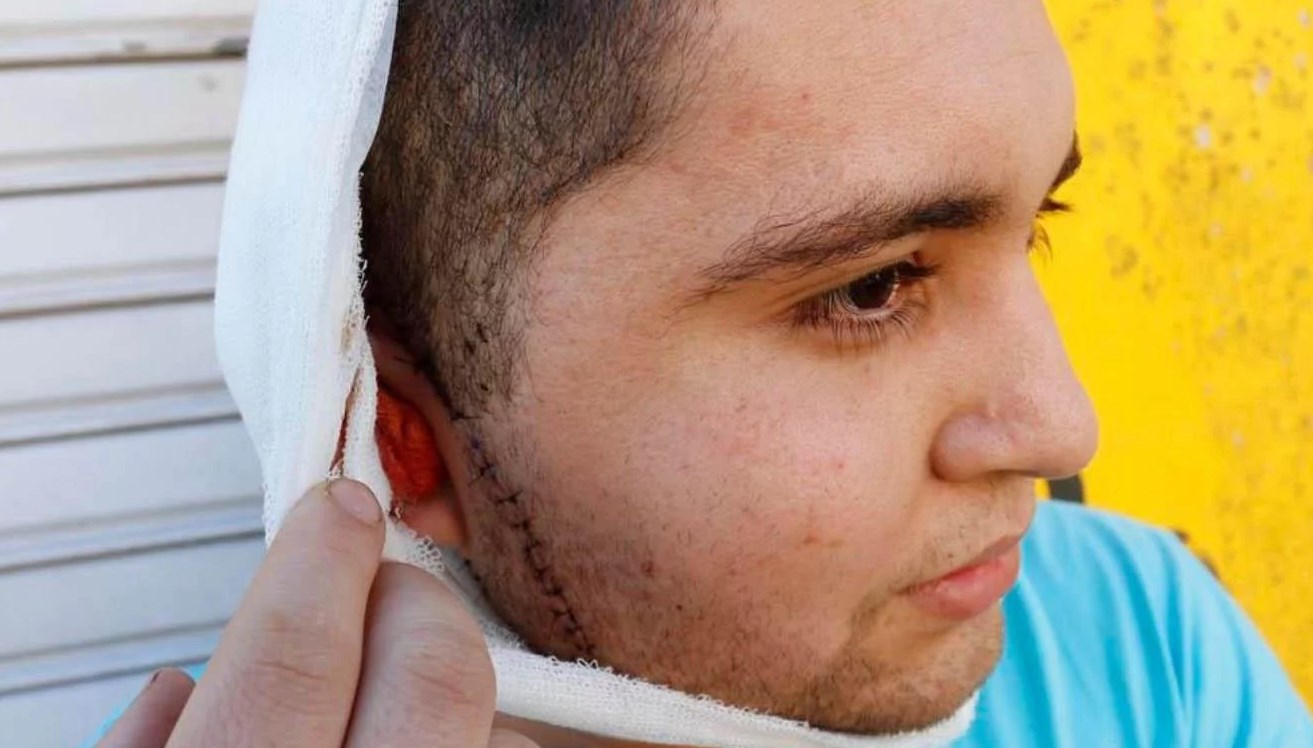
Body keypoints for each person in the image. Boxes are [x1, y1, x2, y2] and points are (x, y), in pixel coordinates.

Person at [95, 0, 1313, 745]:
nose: (1062, 429)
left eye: (1035, 222)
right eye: (869, 289)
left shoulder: (1138, 634)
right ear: (394, 431)